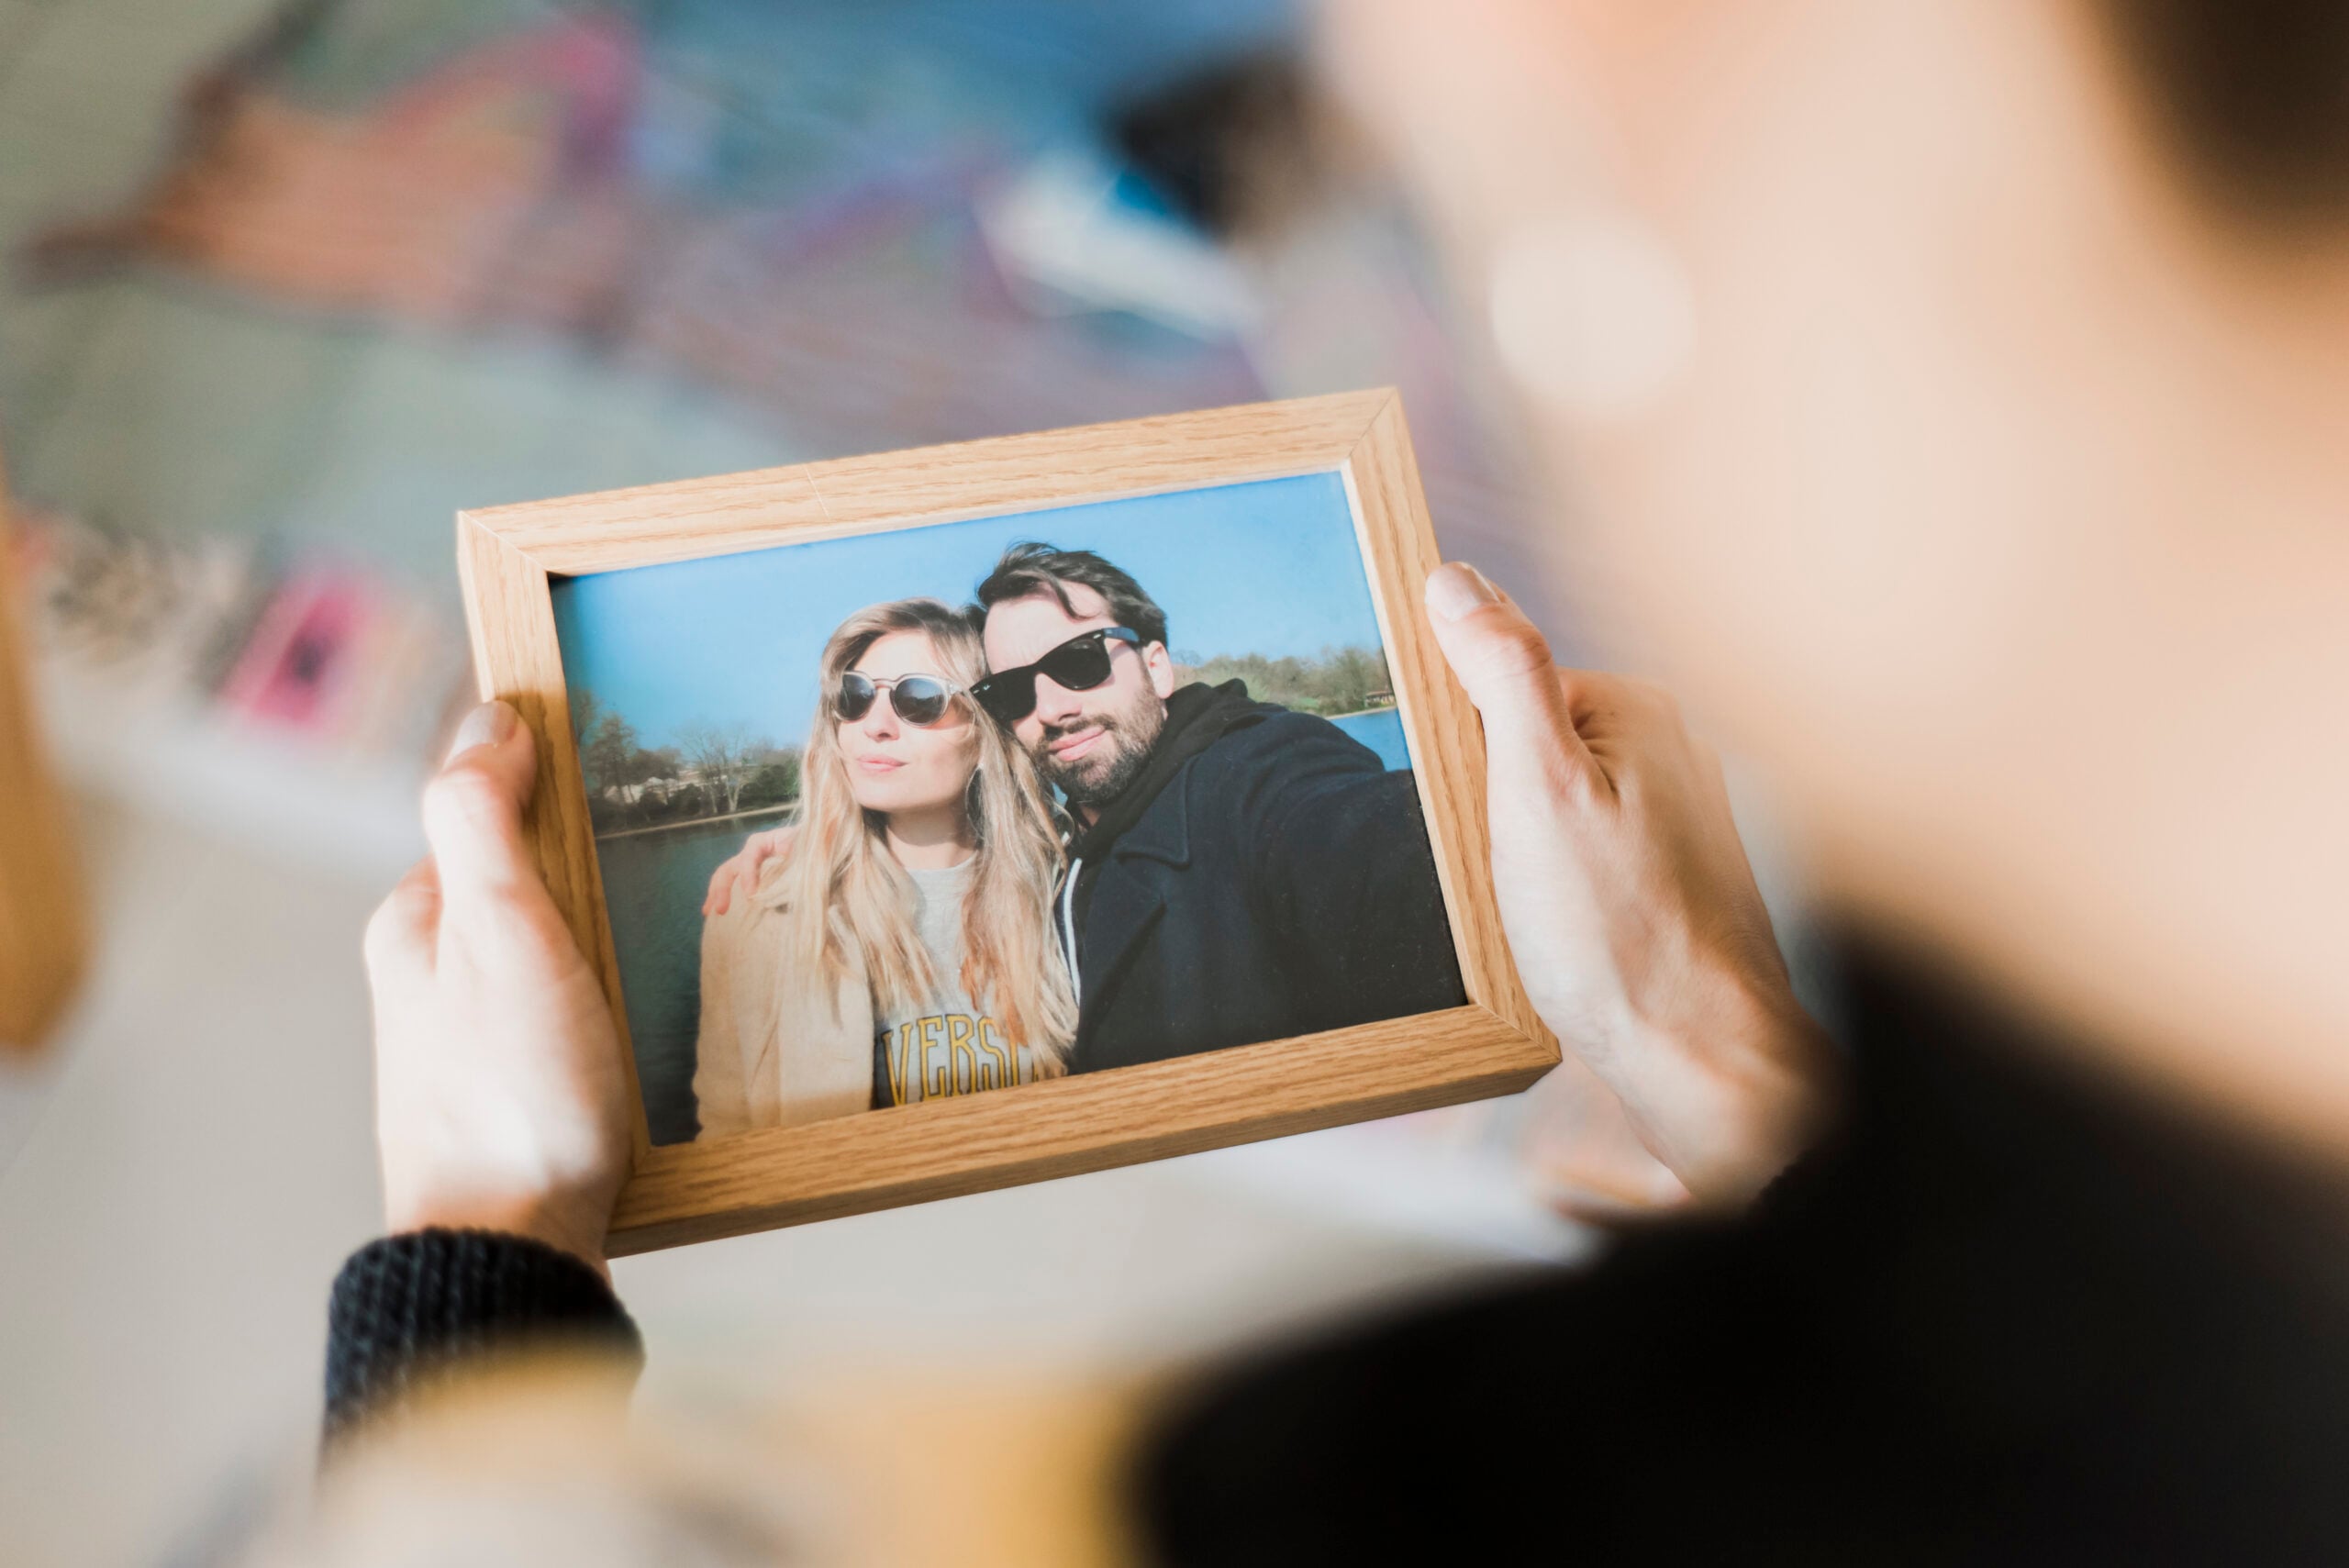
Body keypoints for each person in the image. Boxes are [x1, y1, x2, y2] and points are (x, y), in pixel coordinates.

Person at [334, 0, 2349, 1560]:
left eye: (1061, 666)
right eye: (979, 688)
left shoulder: (1271, 796)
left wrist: (486, 1238)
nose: (1023, 709)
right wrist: (1708, 1061)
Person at [708, 544, 1467, 1074]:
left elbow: (1363, 846)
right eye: (1014, 689)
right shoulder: (1060, 867)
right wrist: (815, 846)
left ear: (1158, 666)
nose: (1052, 706)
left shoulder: (1255, 770)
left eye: (1079, 661)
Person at [694, 598, 1073, 1135]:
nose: (874, 724)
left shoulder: (1066, 887)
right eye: (855, 696)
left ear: (986, 736)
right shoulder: (759, 910)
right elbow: (725, 1129)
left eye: (920, 699)